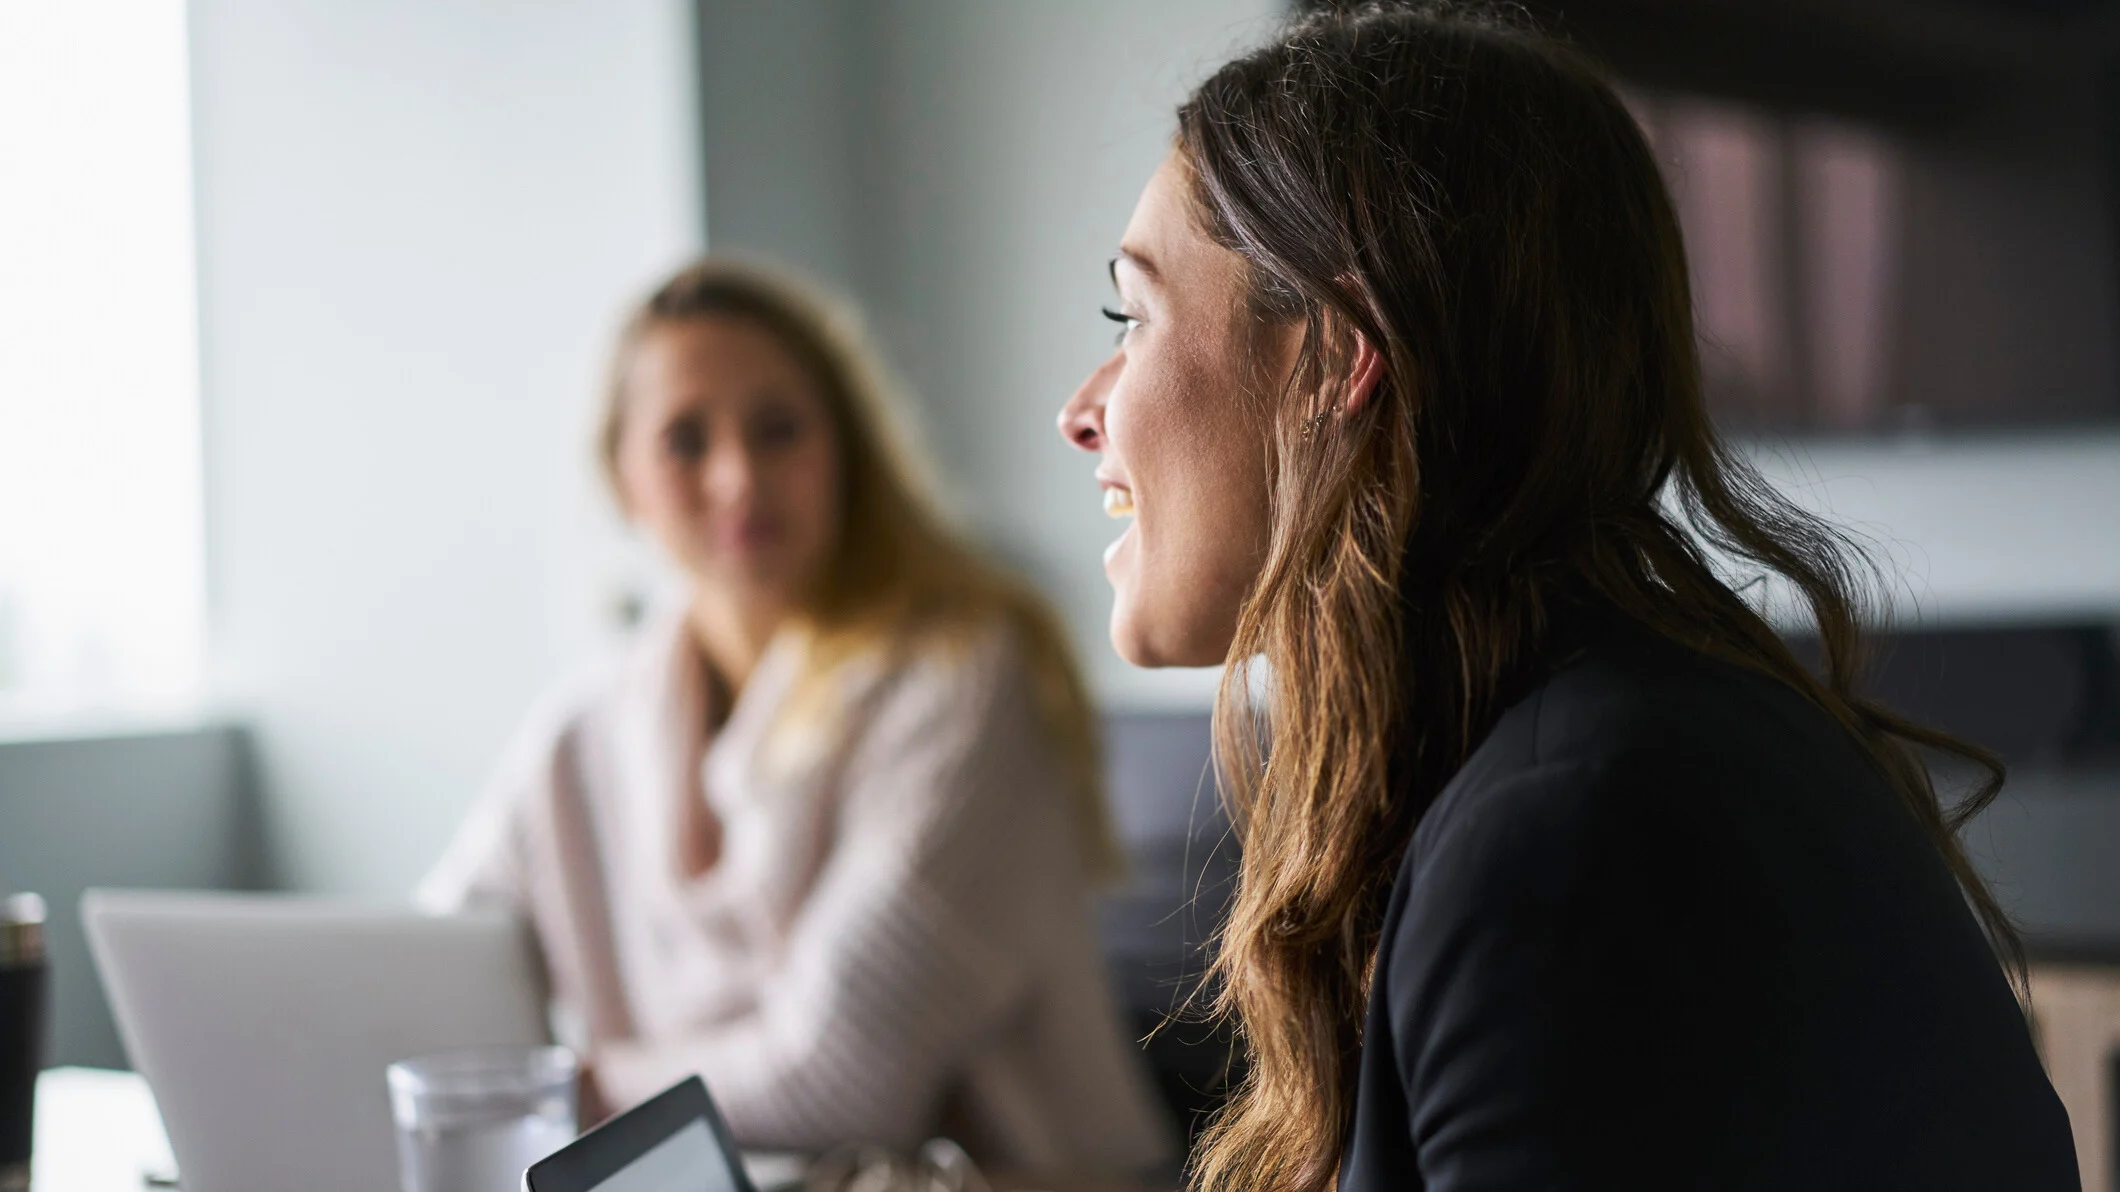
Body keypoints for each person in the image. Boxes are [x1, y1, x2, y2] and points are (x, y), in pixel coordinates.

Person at [1057, 5, 2078, 1191]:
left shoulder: (1570, 835)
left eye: (1133, 317)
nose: (1081, 408)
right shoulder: (1611, 748)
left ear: (1333, 358)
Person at [423, 259, 1171, 1175]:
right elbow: (429, 971)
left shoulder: (966, 681)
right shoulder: (582, 729)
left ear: (844, 454)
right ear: (621, 478)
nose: (738, 478)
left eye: (779, 430)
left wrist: (555, 1091)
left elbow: (840, 1081)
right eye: (685, 440)